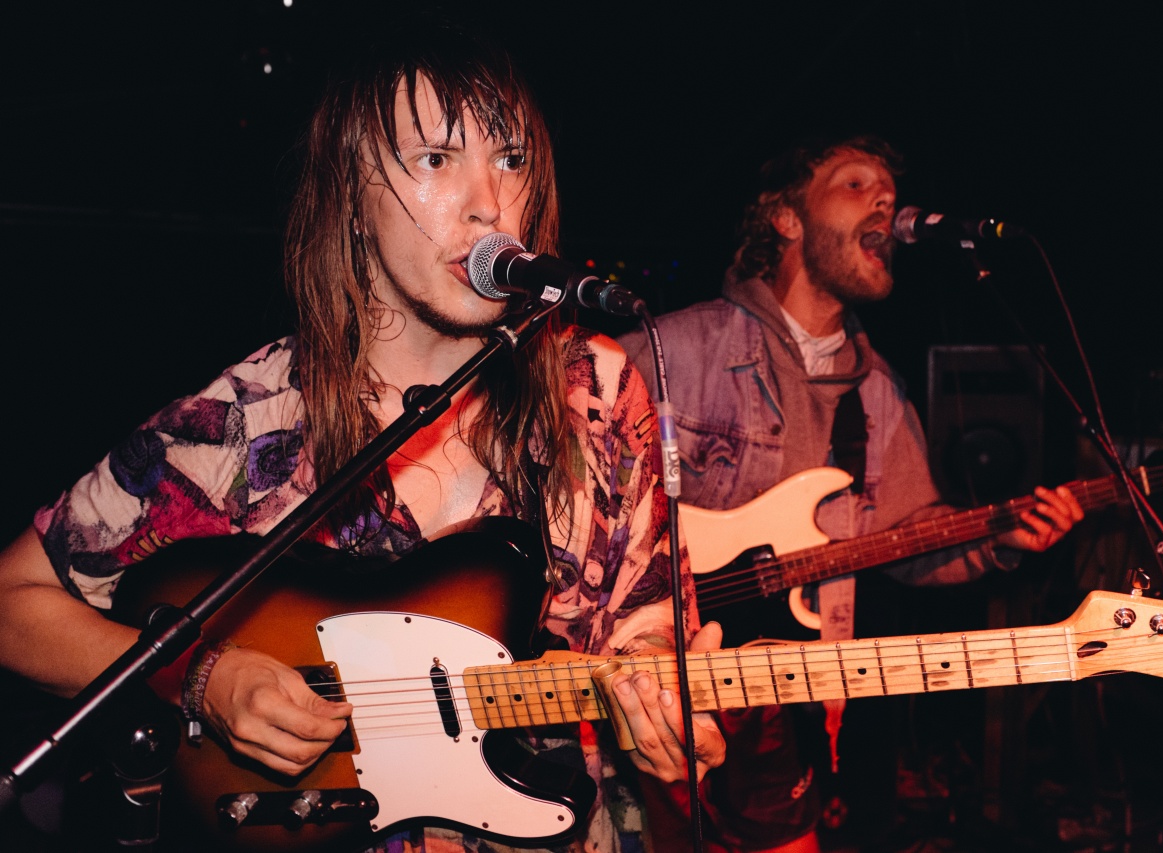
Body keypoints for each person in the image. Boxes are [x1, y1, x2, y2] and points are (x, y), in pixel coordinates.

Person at [0, 22, 724, 853]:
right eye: (436, 158)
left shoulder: (598, 391)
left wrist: (661, 700)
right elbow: (13, 600)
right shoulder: (251, 416)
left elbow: (643, 621)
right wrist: (205, 678)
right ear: (352, 198)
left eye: (511, 159)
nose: (489, 201)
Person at [618, 136, 1084, 852]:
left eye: (889, 190)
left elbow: (908, 538)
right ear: (786, 218)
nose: (886, 200)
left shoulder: (878, 392)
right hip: (655, 691)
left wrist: (1000, 540)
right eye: (856, 183)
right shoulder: (670, 351)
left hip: (784, 693)